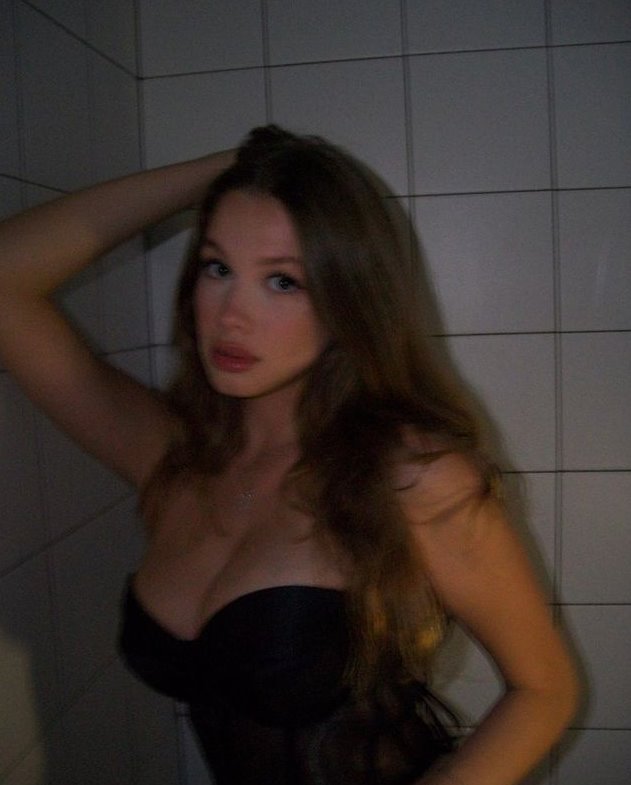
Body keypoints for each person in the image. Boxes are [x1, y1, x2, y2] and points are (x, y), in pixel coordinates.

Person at [0, 125, 578, 785]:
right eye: (218, 268)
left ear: (346, 300)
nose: (231, 316)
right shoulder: (172, 455)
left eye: (282, 281)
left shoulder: (411, 475)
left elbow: (544, 689)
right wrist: (238, 166)